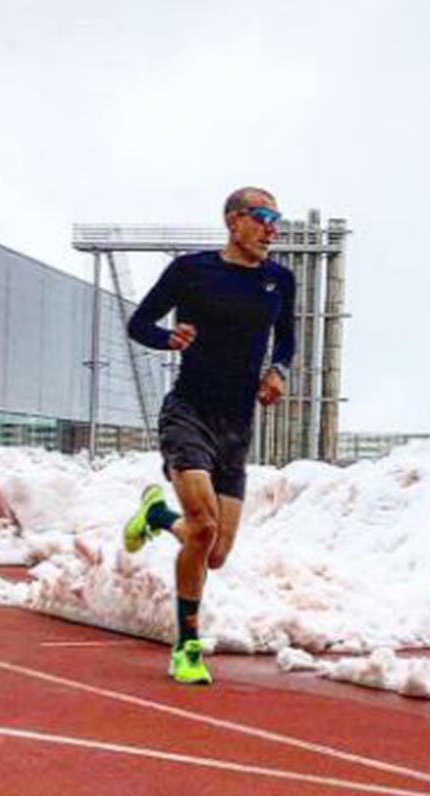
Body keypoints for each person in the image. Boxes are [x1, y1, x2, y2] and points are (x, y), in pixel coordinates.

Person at [124, 187, 295, 685]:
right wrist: (168, 338)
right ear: (232, 221)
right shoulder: (191, 270)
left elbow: (285, 337)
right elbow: (140, 323)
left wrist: (278, 370)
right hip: (188, 413)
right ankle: (187, 646)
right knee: (201, 527)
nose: (271, 228)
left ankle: (156, 514)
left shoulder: (278, 279)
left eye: (276, 219)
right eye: (262, 217)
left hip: (236, 424)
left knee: (215, 552)